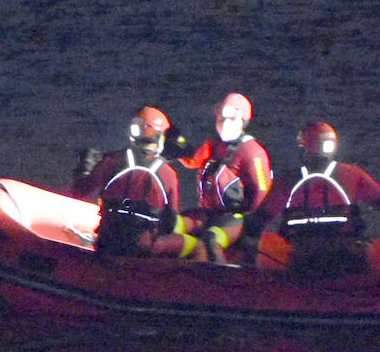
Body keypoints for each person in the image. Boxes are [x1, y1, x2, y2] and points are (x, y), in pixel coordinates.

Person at [258, 121, 380, 275]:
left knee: (299, 257)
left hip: (305, 260)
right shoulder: (352, 175)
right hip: (349, 257)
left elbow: (259, 219)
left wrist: (247, 254)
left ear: (304, 148)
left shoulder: (287, 180)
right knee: (365, 250)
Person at [146, 92, 272, 262]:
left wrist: (253, 229)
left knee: (211, 239)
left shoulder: (252, 152)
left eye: (232, 119)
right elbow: (194, 160)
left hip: (236, 218)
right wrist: (177, 149)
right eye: (222, 119)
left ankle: (220, 279)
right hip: (208, 214)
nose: (226, 124)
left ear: (243, 121)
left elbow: (262, 191)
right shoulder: (214, 144)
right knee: (170, 223)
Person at [72, 106, 181, 256]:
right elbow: (171, 222)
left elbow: (80, 191)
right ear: (158, 137)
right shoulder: (168, 174)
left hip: (108, 242)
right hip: (143, 249)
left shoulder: (111, 161)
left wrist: (84, 168)